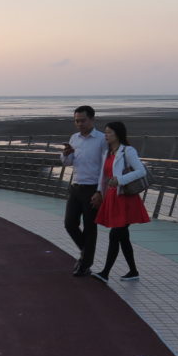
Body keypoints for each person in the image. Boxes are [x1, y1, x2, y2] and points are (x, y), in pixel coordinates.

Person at [92, 121, 149, 283]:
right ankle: (133, 271)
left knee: (115, 234)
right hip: (112, 197)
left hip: (126, 199)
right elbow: (103, 177)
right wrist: (99, 192)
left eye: (109, 132)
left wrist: (120, 180)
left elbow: (141, 171)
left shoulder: (127, 151)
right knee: (122, 237)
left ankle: (105, 273)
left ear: (117, 134)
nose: (106, 135)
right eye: (105, 132)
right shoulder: (108, 153)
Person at [60, 105, 106, 277]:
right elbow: (67, 163)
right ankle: (86, 254)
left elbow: (105, 169)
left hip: (93, 188)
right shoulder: (74, 138)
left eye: (83, 120)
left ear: (92, 119)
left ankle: (85, 263)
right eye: (76, 121)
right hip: (76, 186)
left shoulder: (102, 139)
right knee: (69, 223)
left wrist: (100, 192)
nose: (79, 124)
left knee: (90, 228)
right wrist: (66, 154)